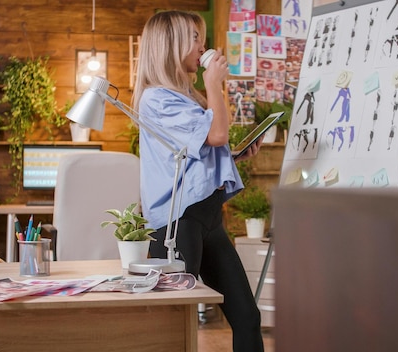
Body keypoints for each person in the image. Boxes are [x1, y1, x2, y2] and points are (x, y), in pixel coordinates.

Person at [132, 10, 265, 352]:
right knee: (173, 328)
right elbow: (217, 134)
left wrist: (235, 156)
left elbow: (202, 152)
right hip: (178, 224)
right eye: (194, 37)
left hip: (206, 219)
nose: (202, 45)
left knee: (247, 317)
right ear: (170, 45)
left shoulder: (184, 97)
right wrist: (214, 82)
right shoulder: (157, 99)